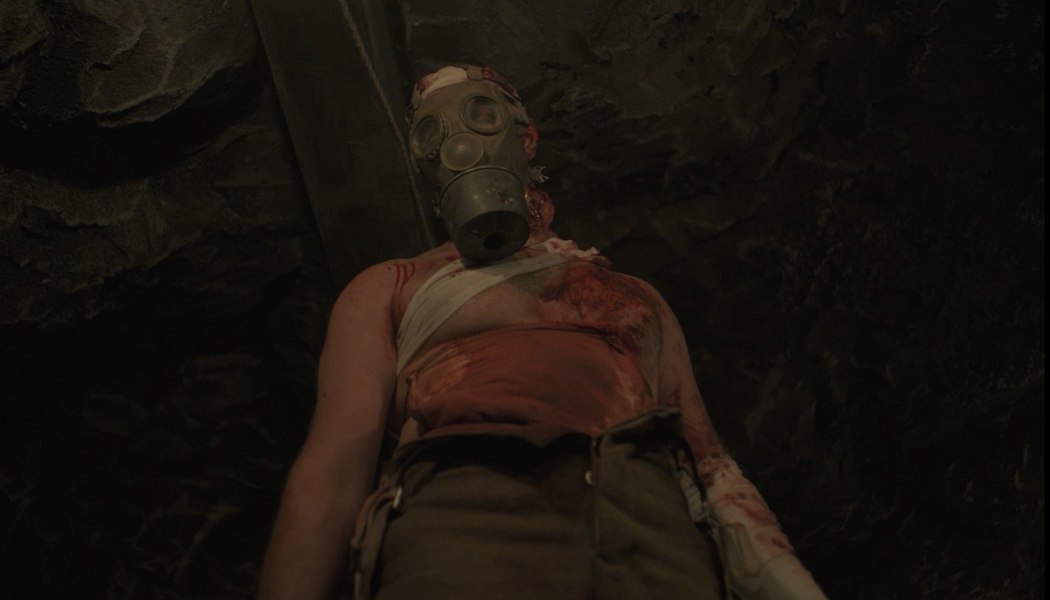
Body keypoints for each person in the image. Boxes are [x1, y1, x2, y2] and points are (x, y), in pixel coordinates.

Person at [258, 65, 829, 600]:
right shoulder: (394, 287)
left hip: (647, 526)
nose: (460, 144)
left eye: (480, 115)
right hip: (465, 521)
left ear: (525, 137)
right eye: (432, 133)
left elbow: (711, 467)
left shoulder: (634, 296)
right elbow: (334, 475)